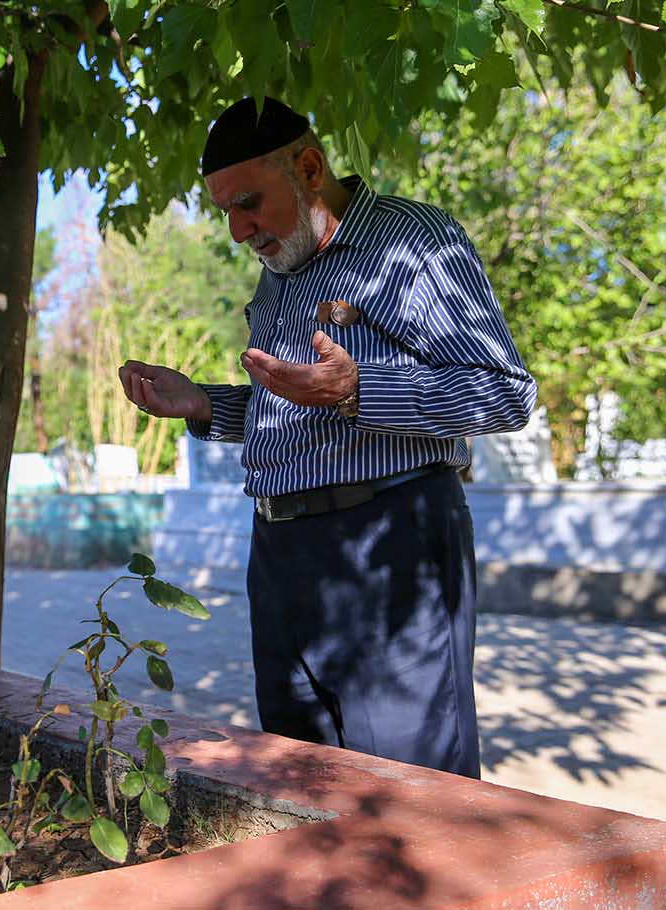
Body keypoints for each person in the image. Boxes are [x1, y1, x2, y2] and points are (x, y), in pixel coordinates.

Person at [118, 97, 537, 778]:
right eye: (224, 211)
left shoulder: (414, 241)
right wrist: (204, 405)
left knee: (407, 793)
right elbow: (295, 409)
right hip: (281, 555)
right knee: (303, 783)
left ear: (310, 168)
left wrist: (359, 390)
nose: (237, 230)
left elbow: (503, 393)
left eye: (247, 203)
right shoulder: (281, 267)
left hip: (387, 542)